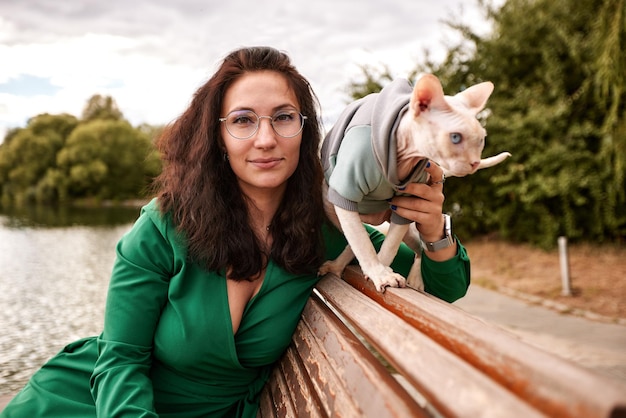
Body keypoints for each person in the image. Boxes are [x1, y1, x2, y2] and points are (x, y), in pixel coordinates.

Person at [1, 46, 470, 418]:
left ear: (306, 132)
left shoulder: (326, 230)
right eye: (243, 120)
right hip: (93, 406)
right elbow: (120, 360)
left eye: (284, 118)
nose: (265, 139)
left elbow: (443, 293)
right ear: (218, 136)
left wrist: (434, 231)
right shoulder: (165, 226)